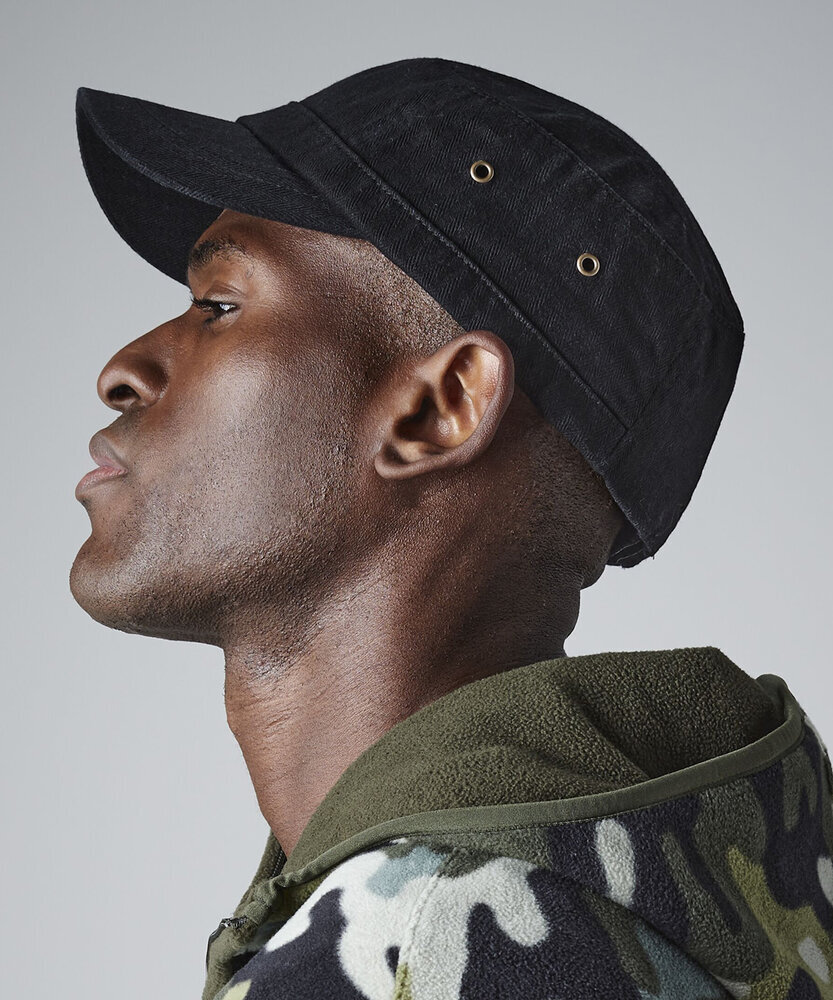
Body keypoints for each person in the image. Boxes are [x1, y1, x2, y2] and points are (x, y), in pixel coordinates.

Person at [70, 58, 833, 1000]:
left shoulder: (412, 949)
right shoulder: (705, 889)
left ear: (442, 407)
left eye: (219, 305)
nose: (123, 369)